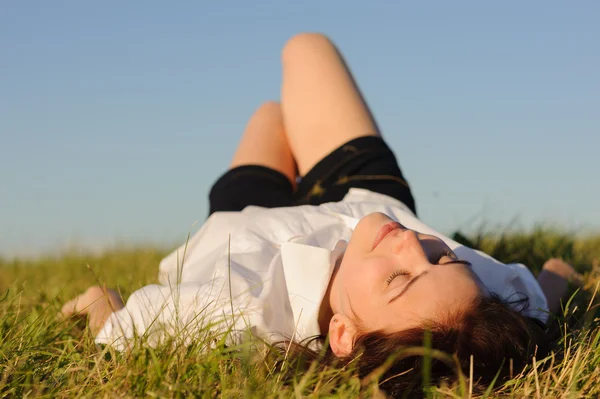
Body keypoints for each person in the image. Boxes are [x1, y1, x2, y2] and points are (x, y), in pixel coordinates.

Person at [61, 33, 581, 395]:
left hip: (248, 222)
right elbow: (537, 295)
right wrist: (562, 277)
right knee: (306, 48)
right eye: (439, 260)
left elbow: (120, 332)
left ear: (342, 335)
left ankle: (292, 137)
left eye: (400, 280)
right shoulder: (474, 301)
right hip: (363, 198)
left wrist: (99, 299)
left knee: (271, 115)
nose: (411, 245)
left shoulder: (233, 313)